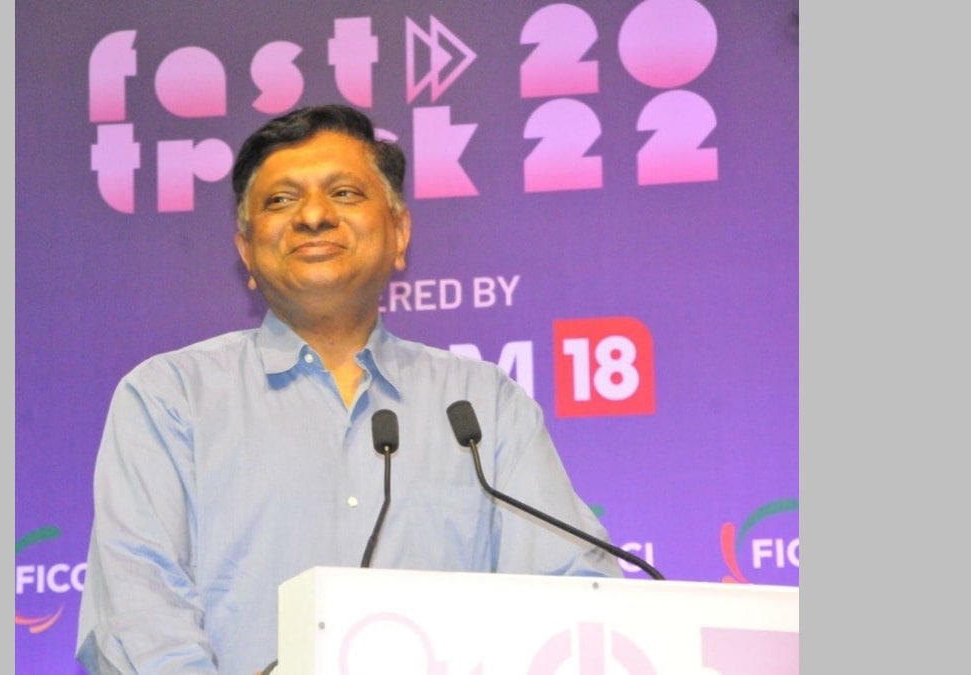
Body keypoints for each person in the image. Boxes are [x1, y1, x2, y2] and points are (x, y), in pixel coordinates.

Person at [75, 103, 624, 675]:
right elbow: (137, 615)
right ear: (246, 252)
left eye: (344, 193)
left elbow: (577, 598)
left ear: (399, 233)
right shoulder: (170, 399)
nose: (313, 216)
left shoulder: (481, 406)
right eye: (280, 200)